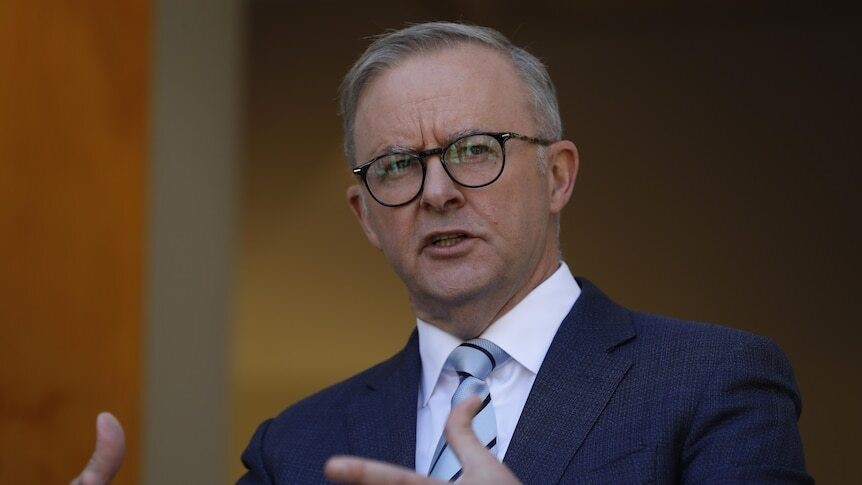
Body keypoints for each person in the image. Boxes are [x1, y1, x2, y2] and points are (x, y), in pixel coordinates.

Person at [74, 22, 811, 484]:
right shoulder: (295, 447)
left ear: (557, 176)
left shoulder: (713, 383)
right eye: (396, 166)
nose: (437, 191)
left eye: (473, 150)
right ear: (366, 216)